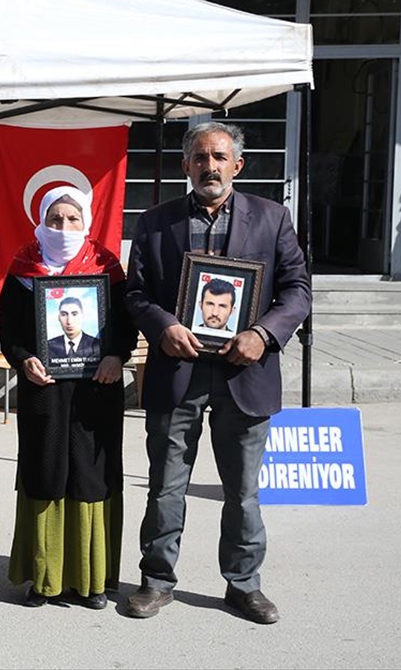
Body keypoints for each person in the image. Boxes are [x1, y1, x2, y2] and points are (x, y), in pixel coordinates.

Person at [124, 122, 311, 624]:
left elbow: (297, 291)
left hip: (244, 373)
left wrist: (264, 334)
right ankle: (156, 580)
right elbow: (135, 293)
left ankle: (244, 585)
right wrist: (162, 325)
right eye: (200, 158)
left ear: (238, 164)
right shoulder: (155, 222)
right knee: (165, 486)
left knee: (243, 491)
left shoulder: (272, 219)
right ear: (186, 165)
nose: (210, 166)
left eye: (219, 157)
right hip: (177, 370)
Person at [0, 185, 136, 611]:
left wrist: (117, 355)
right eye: (55, 219)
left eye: (72, 219)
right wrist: (24, 361)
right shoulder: (23, 270)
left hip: (98, 389)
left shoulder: (106, 268)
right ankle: (44, 579)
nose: (63, 227)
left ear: (87, 221)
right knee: (46, 473)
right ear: (40, 221)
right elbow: (12, 335)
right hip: (45, 393)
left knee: (91, 477)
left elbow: (126, 326)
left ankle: (92, 581)